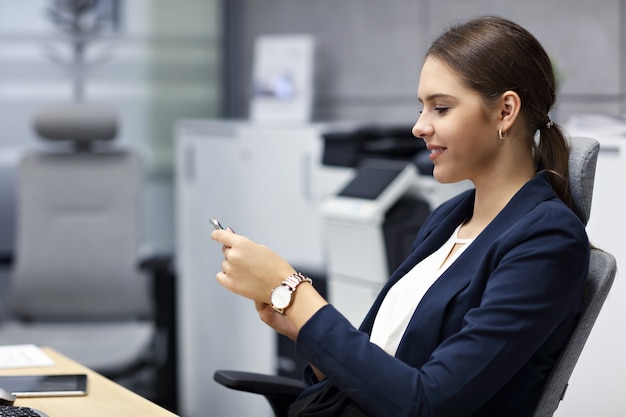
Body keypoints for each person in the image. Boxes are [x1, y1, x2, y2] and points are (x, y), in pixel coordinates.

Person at [211, 15, 590, 417]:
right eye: (422, 107)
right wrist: (298, 327)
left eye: (441, 108)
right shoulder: (448, 220)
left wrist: (295, 294)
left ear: (505, 111)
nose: (419, 126)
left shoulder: (548, 240)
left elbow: (426, 403)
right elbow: (381, 372)